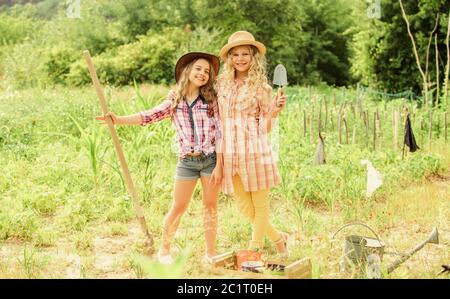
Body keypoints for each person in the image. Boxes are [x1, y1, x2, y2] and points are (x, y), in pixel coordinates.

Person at [96, 52, 222, 264]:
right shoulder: (174, 100)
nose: (202, 73)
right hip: (187, 162)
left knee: (210, 206)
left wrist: (221, 164)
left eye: (207, 71)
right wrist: (118, 120)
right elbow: (149, 116)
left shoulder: (212, 100)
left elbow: (221, 132)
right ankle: (164, 251)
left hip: (210, 160)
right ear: (187, 70)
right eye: (198, 68)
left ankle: (211, 253)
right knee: (178, 206)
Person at [216, 31, 288, 256]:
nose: (240, 58)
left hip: (255, 151)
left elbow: (264, 128)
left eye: (245, 53)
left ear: (252, 56)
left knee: (260, 205)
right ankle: (278, 238)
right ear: (229, 58)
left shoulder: (262, 88)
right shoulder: (222, 85)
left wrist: (274, 111)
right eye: (235, 54)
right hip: (230, 153)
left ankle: (254, 250)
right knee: (244, 206)